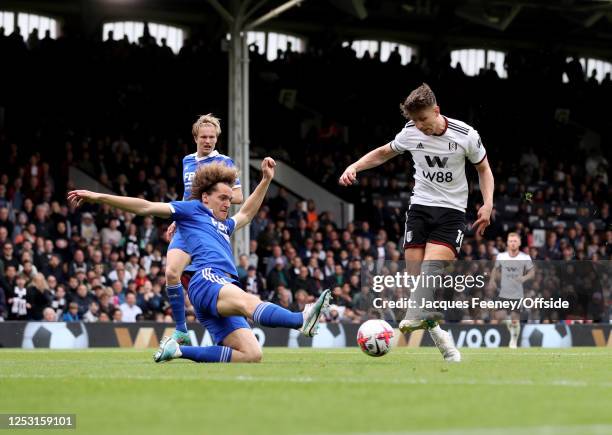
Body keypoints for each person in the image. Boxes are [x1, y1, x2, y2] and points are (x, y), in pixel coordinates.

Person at [68, 158, 331, 364]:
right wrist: (98, 196)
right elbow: (145, 206)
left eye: (230, 199)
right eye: (222, 198)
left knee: (251, 354)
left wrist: (265, 180)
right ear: (206, 197)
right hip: (207, 279)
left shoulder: (224, 225)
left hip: (214, 293)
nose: (228, 203)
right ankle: (301, 319)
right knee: (248, 301)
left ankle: (178, 351)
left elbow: (248, 213)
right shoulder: (192, 210)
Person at [339, 83, 494, 362]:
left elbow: (483, 168)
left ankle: (413, 316)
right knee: (417, 284)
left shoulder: (466, 135)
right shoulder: (410, 133)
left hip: (452, 211)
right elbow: (384, 152)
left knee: (428, 272)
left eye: (423, 119)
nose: (420, 125)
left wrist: (488, 203)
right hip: (420, 208)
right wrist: (355, 166)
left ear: (436, 110)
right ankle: (444, 343)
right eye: (414, 121)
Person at [165, 114, 244, 347]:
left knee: (215, 280)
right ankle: (181, 331)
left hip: (209, 230)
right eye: (203, 137)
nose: (208, 141)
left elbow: (238, 196)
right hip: (186, 225)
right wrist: (176, 218)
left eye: (212, 137)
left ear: (217, 138)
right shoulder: (187, 161)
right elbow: (187, 195)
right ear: (195, 138)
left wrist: (209, 201)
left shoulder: (224, 163)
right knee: (171, 273)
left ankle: (229, 330)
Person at [488, 233, 535, 348]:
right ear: (507, 243)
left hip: (517, 292)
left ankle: (513, 340)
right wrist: (492, 280)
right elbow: (495, 269)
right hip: (503, 291)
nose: (513, 243)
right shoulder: (501, 256)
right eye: (510, 241)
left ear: (519, 243)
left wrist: (523, 278)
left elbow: (532, 272)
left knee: (515, 319)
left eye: (515, 241)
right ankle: (508, 322)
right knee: (499, 316)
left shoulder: (525, 257)